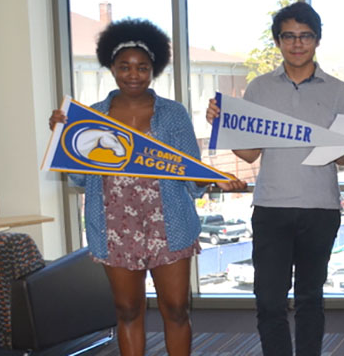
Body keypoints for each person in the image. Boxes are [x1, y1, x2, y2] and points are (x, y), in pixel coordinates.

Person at [48, 19, 245, 356]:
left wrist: (213, 178)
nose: (133, 74)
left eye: (142, 67)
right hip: (114, 226)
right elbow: (80, 179)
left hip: (169, 225)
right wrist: (60, 139)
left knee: (177, 310)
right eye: (124, 66)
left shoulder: (173, 114)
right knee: (126, 311)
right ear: (110, 68)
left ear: (154, 70)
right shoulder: (91, 118)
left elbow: (191, 174)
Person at [206, 2, 344, 356]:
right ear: (278, 41)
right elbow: (250, 154)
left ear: (317, 40)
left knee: (311, 299)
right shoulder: (260, 88)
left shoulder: (338, 89)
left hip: (321, 208)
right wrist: (222, 125)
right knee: (268, 301)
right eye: (289, 36)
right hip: (271, 207)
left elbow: (340, 157)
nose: (297, 44)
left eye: (305, 36)